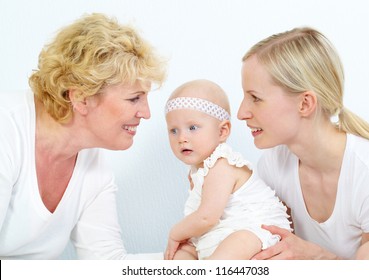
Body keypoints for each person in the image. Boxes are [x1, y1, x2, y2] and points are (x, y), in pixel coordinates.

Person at [0, 13, 166, 259]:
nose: (146, 113)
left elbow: (107, 265)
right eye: (134, 98)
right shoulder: (7, 127)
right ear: (80, 98)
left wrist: (194, 263)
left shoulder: (93, 167)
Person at [238, 27, 369, 259]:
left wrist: (319, 258)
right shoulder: (274, 165)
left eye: (255, 98)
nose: (241, 113)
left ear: (305, 103)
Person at [163, 79, 291, 260]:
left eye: (192, 128)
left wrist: (175, 232)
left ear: (222, 131)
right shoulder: (197, 171)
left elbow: (207, 217)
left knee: (239, 241)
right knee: (181, 251)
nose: (182, 137)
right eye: (173, 130)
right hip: (221, 232)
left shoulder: (221, 164)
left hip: (256, 229)